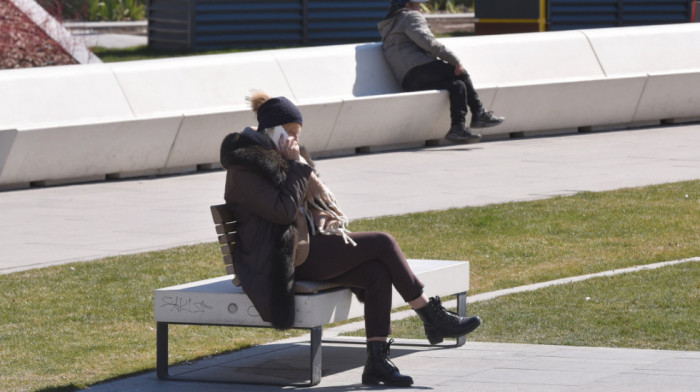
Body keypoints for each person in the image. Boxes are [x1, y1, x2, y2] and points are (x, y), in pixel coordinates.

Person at [220, 91, 482, 387]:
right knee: (382, 242)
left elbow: (304, 209)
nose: (294, 139)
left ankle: (377, 364)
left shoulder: (283, 160)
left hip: (301, 249)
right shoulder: (245, 168)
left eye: (297, 133)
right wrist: (298, 167)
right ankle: (430, 315)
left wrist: (319, 210)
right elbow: (283, 212)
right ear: (272, 131)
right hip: (276, 263)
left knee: (376, 272)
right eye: (289, 132)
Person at [378, 0, 505, 144]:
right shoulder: (410, 17)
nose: (421, 9)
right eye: (418, 5)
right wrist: (454, 61)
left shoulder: (390, 24)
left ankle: (458, 128)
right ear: (408, 5)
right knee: (459, 72)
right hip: (419, 69)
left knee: (457, 85)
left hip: (408, 80)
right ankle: (479, 112)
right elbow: (428, 42)